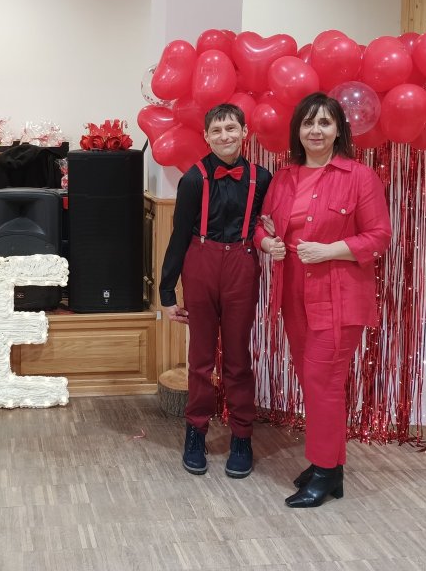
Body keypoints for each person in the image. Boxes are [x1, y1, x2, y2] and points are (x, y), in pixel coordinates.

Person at [255, 92, 391, 508]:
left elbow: (379, 237)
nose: (316, 130)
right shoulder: (284, 177)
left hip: (338, 297)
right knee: (312, 382)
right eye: (308, 122)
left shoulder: (359, 177)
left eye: (325, 123)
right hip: (293, 295)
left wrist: (330, 250)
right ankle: (329, 468)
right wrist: (267, 244)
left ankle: (326, 471)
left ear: (338, 130)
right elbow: (263, 226)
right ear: (298, 130)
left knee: (323, 382)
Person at [160, 103, 272, 478]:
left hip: (242, 263)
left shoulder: (262, 178)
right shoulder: (194, 179)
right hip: (201, 262)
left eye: (231, 128)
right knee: (201, 358)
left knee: (238, 359)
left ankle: (242, 436)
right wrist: (166, 292)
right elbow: (179, 236)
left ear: (245, 132)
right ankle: (196, 432)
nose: (225, 136)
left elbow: (267, 224)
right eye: (217, 130)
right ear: (206, 137)